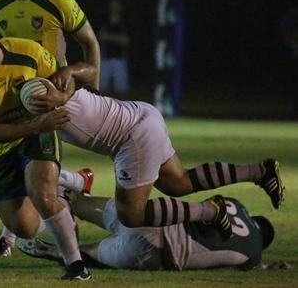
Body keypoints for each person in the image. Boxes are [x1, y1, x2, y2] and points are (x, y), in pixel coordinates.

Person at [25, 77, 283, 238]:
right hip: (143, 114)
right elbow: (87, 67)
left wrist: (66, 88)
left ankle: (210, 211)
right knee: (178, 183)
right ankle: (260, 171)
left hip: (131, 137)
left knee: (130, 215)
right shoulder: (56, 74)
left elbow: (86, 66)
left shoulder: (50, 83)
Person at [0, 21, 97, 280]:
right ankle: (69, 191)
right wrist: (35, 125)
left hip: (39, 131)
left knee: (42, 195)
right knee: (24, 228)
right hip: (5, 143)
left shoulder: (28, 52)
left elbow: (66, 79)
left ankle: (76, 266)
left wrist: (60, 99)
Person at [0, 0, 102, 252]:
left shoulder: (58, 2)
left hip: (49, 95)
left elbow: (90, 42)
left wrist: (94, 89)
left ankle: (11, 238)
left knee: (27, 165)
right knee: (16, 163)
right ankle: (76, 181)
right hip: (13, 97)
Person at [17, 193, 275, 271]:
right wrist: (267, 266)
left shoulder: (235, 204)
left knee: (79, 202)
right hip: (158, 252)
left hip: (149, 216)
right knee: (90, 253)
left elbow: (200, 210)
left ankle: (44, 192)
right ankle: (50, 249)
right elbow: (242, 265)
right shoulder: (253, 252)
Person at [98, 0, 131, 99]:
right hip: (105, 58)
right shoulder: (104, 21)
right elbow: (99, 36)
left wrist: (108, 37)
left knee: (121, 90)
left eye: (116, 6)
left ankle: (123, 112)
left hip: (120, 59)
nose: (114, 8)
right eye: (112, 6)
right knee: (101, 89)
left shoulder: (124, 22)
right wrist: (117, 38)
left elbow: (126, 40)